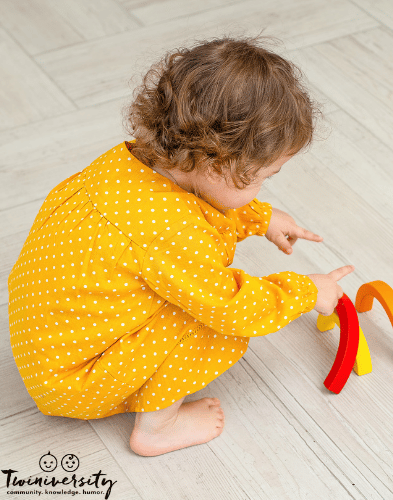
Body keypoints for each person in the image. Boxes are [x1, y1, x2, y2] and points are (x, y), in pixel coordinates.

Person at [7, 35, 355, 457]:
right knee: (208, 321)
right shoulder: (170, 233)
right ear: (215, 163)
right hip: (76, 381)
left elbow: (199, 205)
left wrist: (260, 217)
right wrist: (307, 291)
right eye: (264, 176)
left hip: (50, 347)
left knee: (187, 291)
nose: (264, 186)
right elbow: (234, 307)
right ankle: (158, 428)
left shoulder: (130, 166)